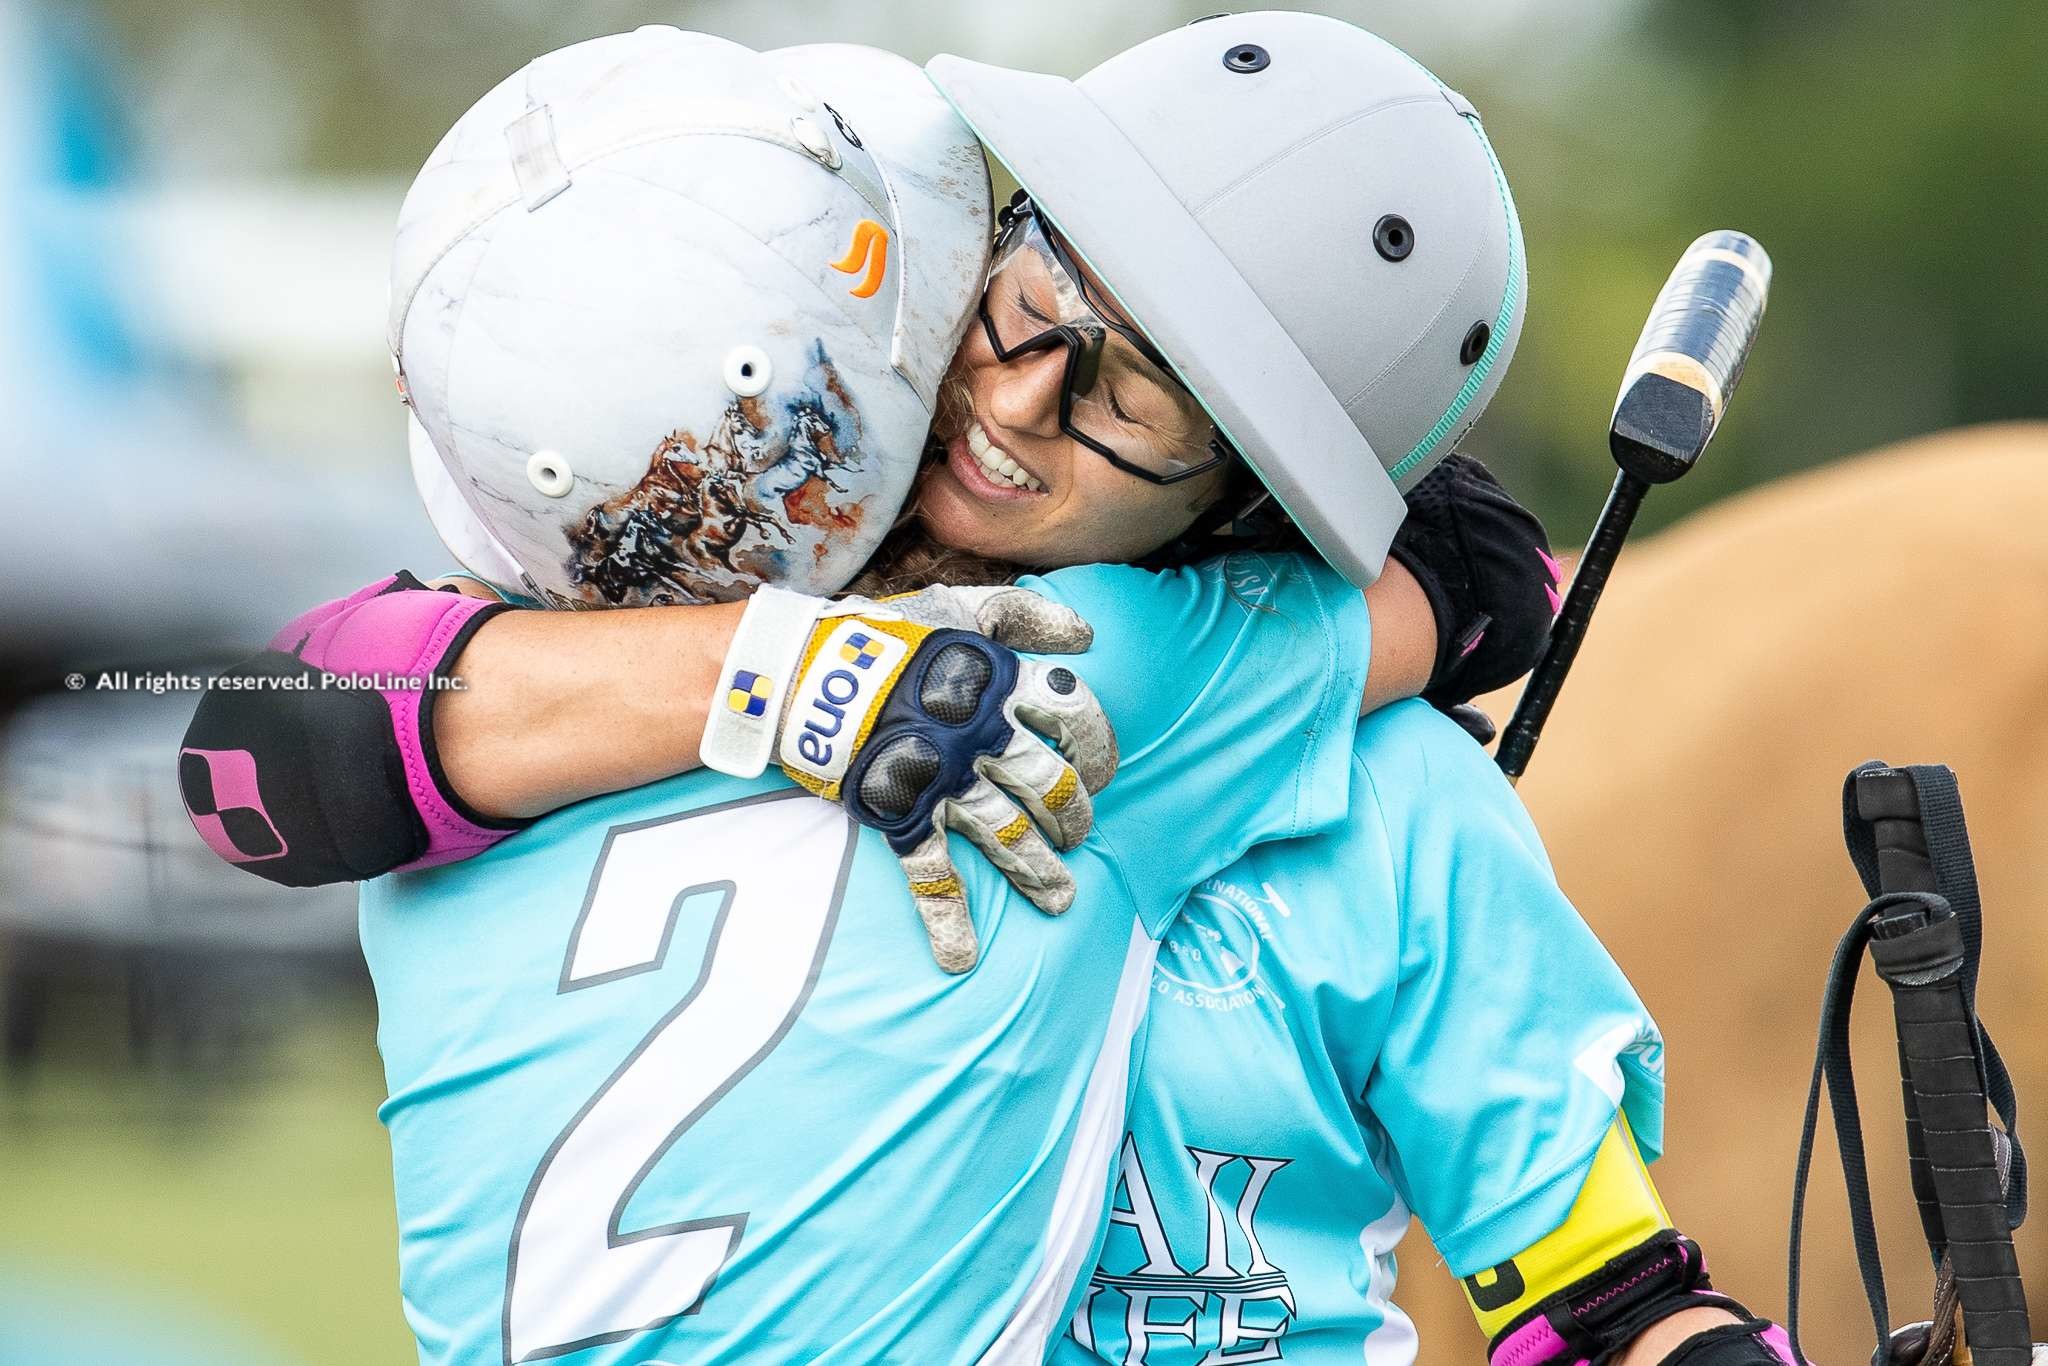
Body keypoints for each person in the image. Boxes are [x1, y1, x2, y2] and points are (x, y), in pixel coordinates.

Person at [182, 17, 1799, 1366]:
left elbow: (1604, 1295)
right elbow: (1488, 574)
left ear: (1253, 495)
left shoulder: (538, 687)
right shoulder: (1107, 671)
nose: (1019, 404)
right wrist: (792, 670)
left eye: (1140, 400)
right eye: (1031, 302)